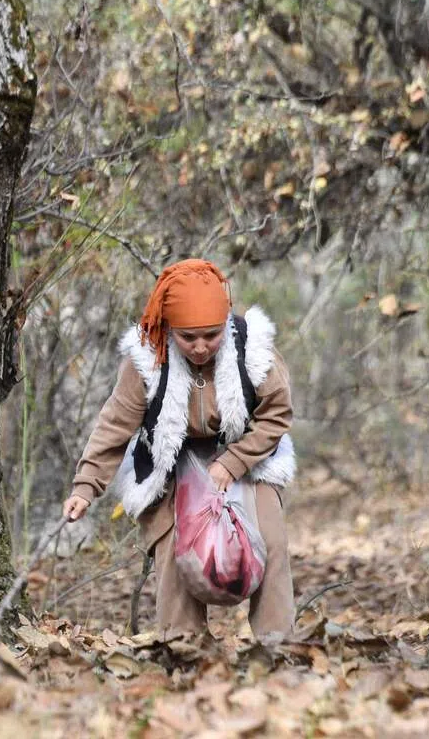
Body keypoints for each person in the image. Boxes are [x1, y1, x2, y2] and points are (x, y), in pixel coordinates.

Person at [62, 258, 296, 638]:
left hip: (248, 453)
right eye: (189, 338)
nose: (201, 347)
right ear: (170, 330)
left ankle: (279, 648)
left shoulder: (252, 351)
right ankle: (184, 652)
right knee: (173, 554)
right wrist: (86, 486)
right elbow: (114, 425)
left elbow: (277, 416)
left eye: (211, 335)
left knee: (271, 544)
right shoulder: (146, 360)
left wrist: (233, 462)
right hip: (169, 463)